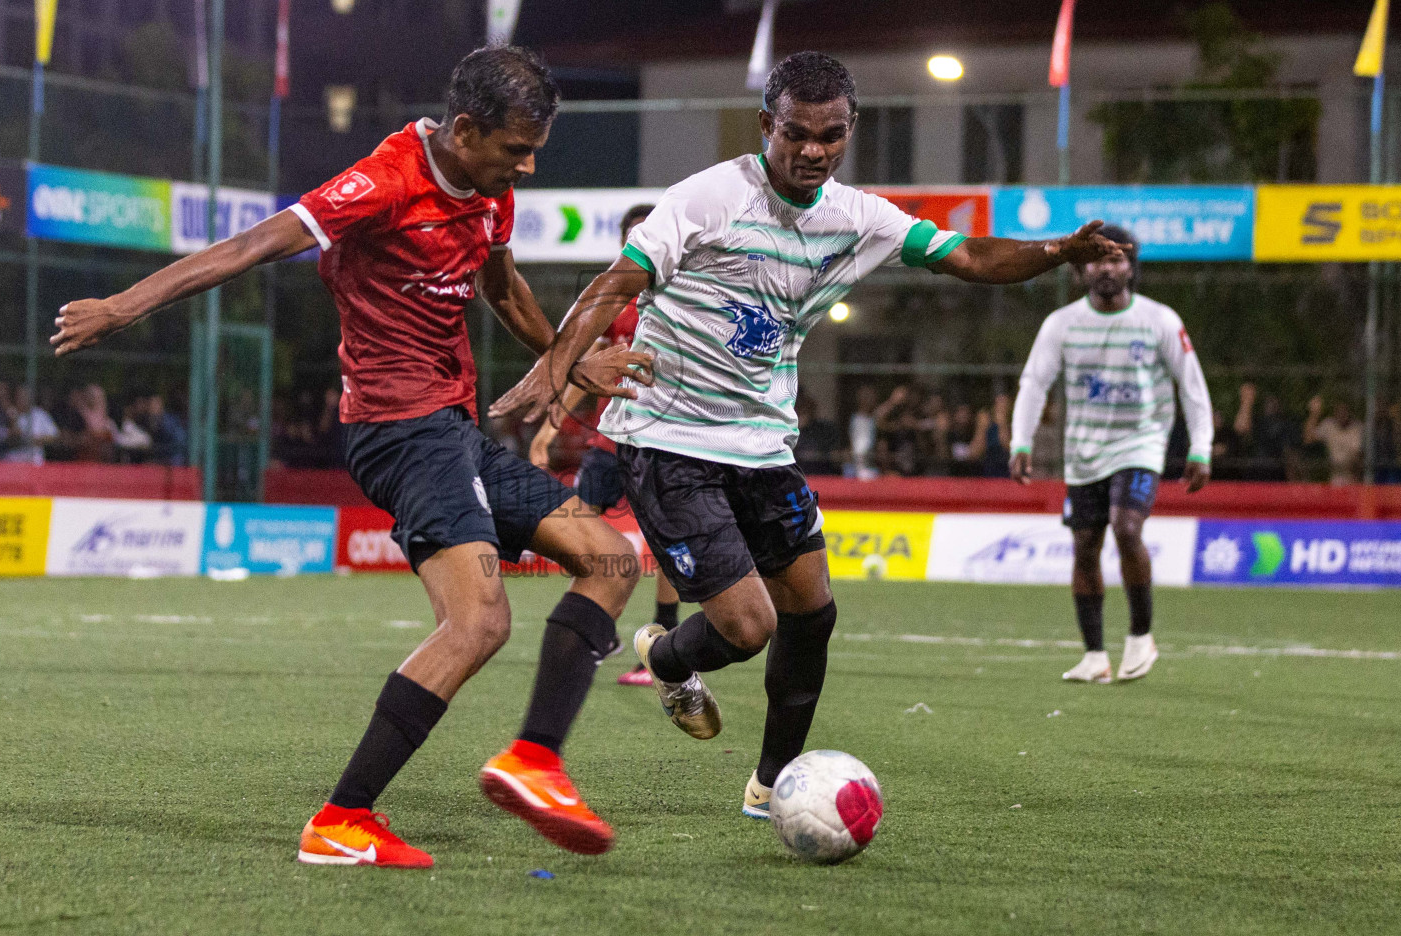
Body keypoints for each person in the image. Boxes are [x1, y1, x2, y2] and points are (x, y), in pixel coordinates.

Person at [50, 46, 652, 869]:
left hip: (453, 429)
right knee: (478, 622)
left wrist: (560, 361)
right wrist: (122, 307)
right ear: (466, 128)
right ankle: (342, 819)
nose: (529, 164)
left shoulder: (489, 189)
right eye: (516, 147)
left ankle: (535, 758)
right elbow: (250, 247)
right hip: (400, 429)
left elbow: (502, 286)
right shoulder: (385, 182)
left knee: (611, 560)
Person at [491, 51, 1126, 821]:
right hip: (671, 441)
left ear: (849, 131)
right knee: (749, 627)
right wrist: (559, 363)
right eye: (796, 132)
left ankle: (773, 786)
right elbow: (615, 285)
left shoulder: (860, 218)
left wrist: (1057, 251)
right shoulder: (710, 197)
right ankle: (667, 656)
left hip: (764, 448)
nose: (812, 150)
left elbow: (968, 255)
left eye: (830, 134)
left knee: (813, 612)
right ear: (768, 125)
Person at [1010, 224, 1212, 685]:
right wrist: (1020, 441)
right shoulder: (1061, 325)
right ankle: (1095, 655)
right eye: (1099, 259)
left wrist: (1200, 447)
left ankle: (1141, 635)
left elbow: (1192, 387)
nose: (1108, 268)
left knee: (1126, 526)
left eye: (1118, 259)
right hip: (1083, 452)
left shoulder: (1160, 321)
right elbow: (1034, 384)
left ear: (1131, 269)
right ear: (1082, 270)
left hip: (1141, 443)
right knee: (1084, 547)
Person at [526, 203, 681, 687]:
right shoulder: (613, 303)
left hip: (663, 441)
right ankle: (600, 626)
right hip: (608, 439)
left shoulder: (681, 299)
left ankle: (663, 648)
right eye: (632, 236)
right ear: (622, 244)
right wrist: (552, 424)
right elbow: (585, 367)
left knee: (667, 543)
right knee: (573, 530)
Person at [1303, 396, 1363, 486]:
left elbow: (1357, 455)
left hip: (1353, 476)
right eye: (1339, 410)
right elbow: (1308, 438)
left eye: (1344, 410)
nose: (1342, 414)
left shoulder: (1357, 427)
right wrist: (1314, 414)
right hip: (1335, 476)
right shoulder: (1329, 425)